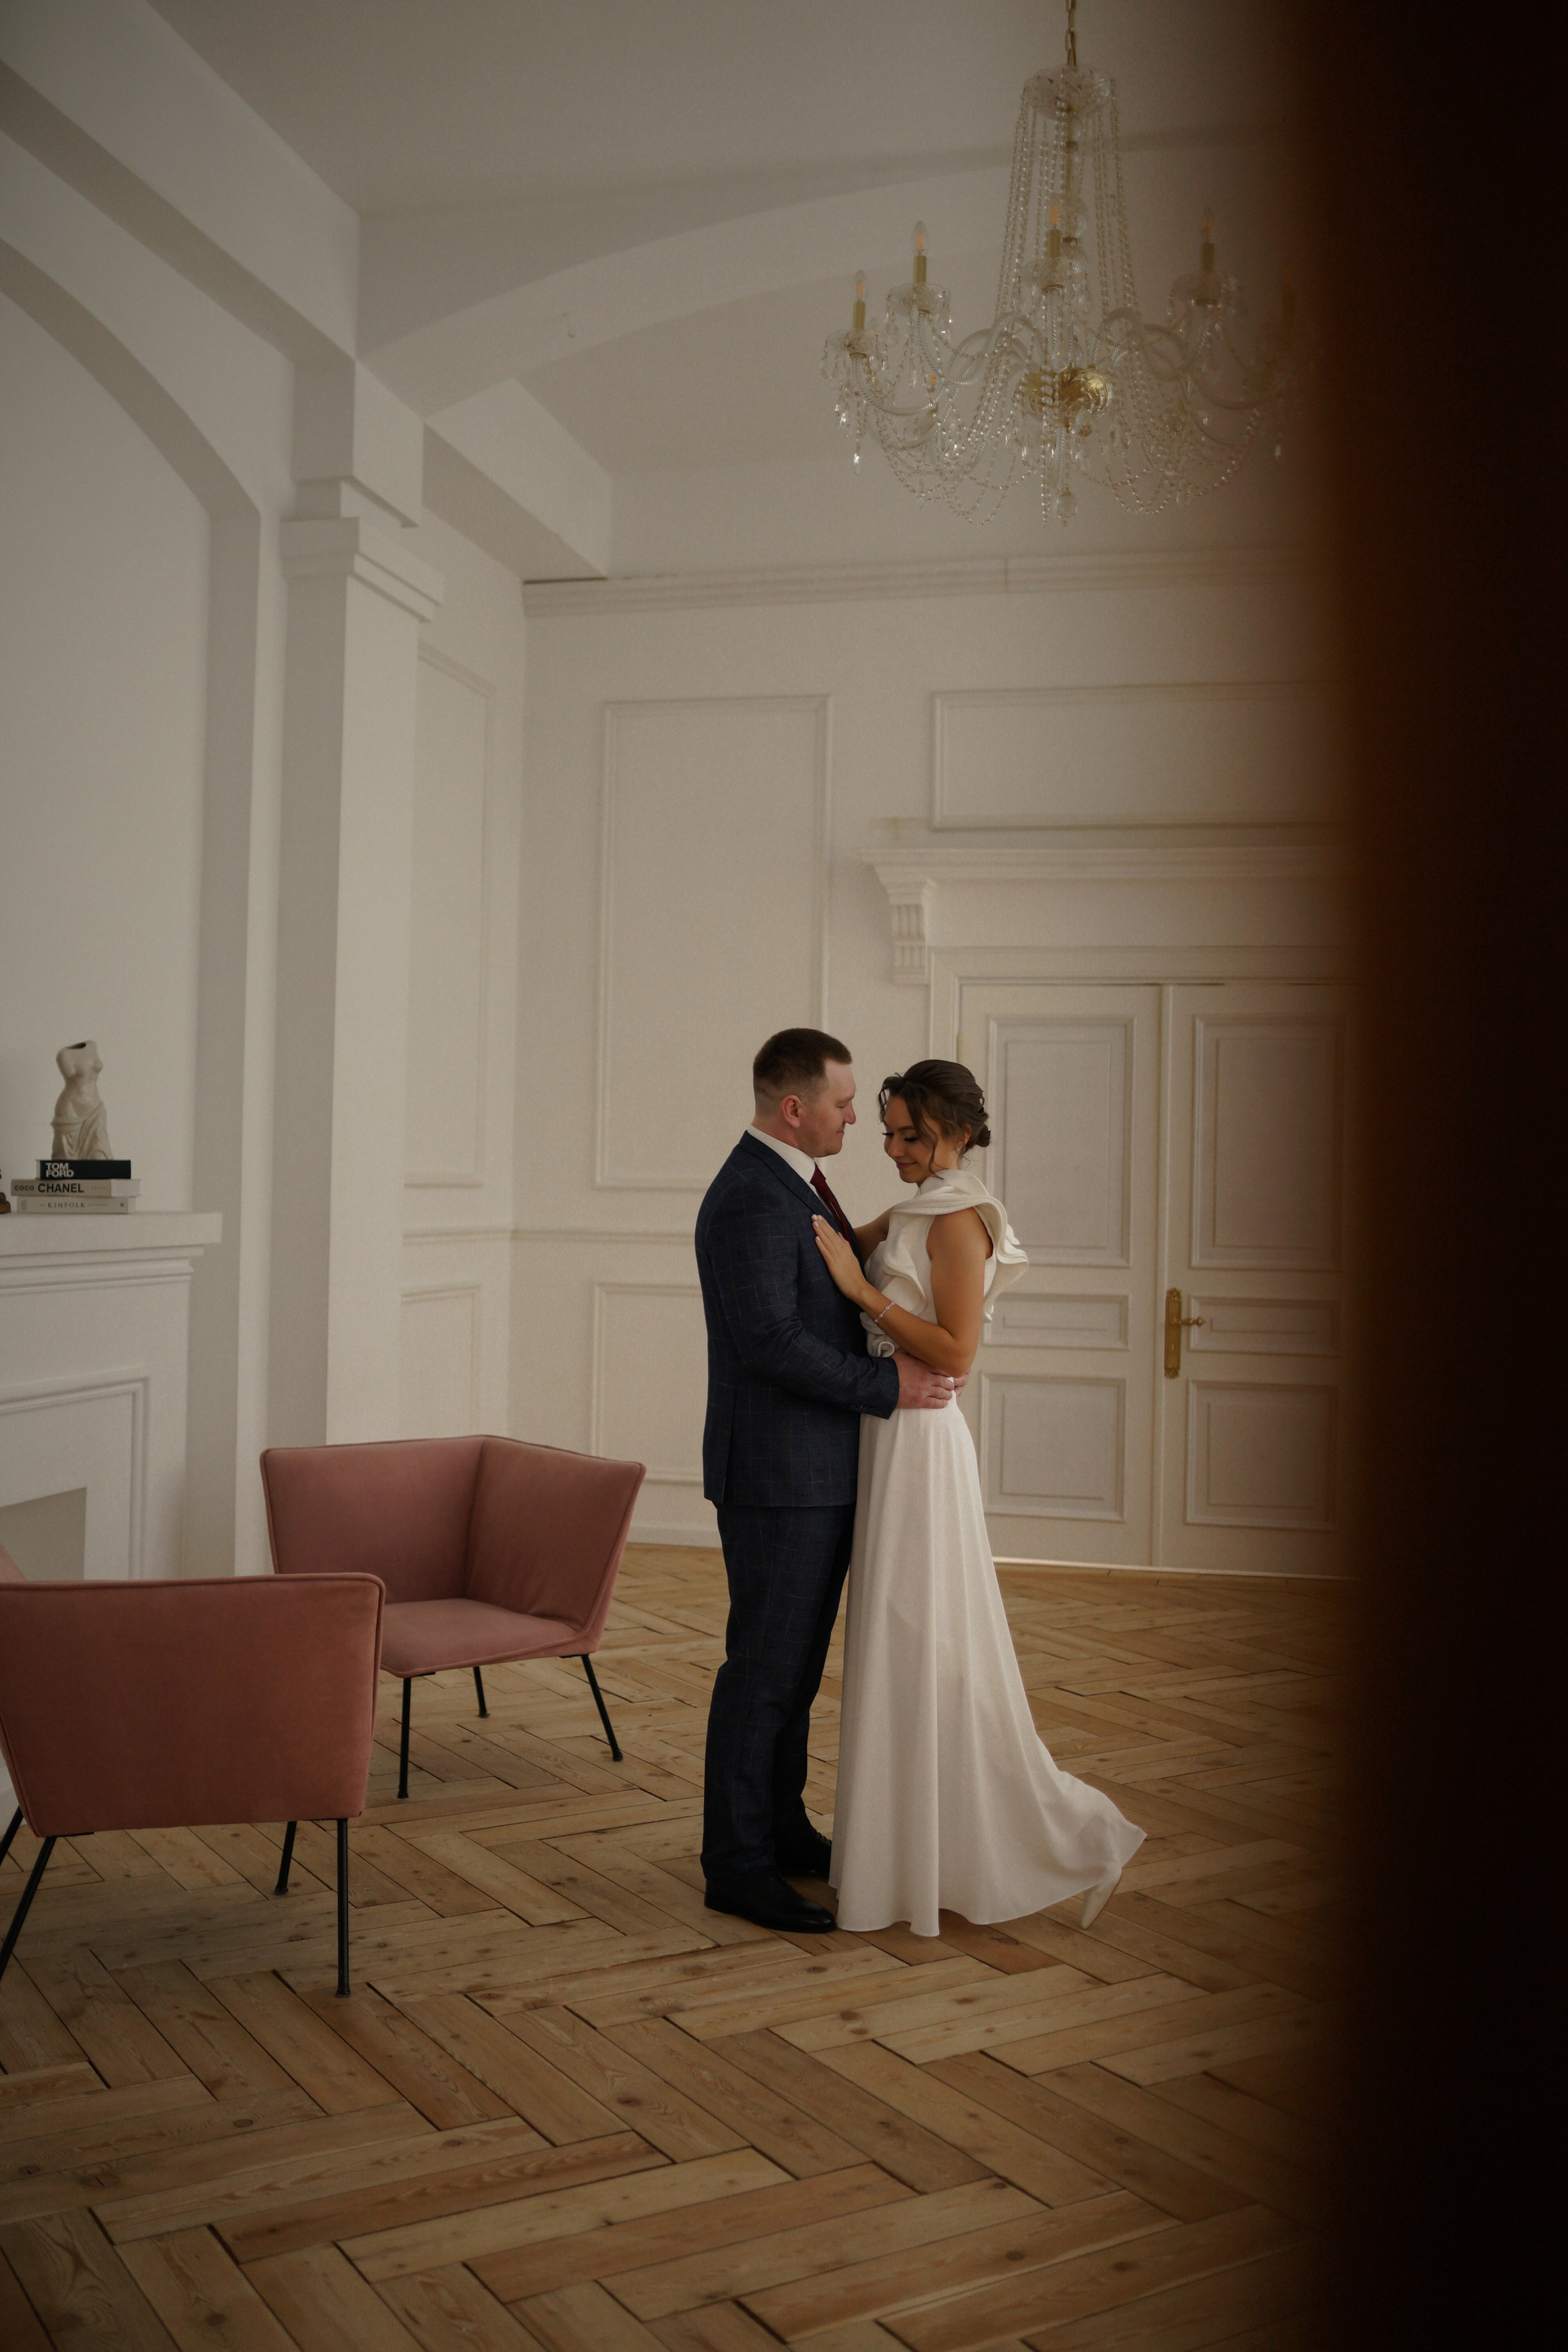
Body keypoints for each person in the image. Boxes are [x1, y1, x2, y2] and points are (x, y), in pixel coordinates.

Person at [810, 1058, 1146, 1936]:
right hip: (888, 1435)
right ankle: (911, 1859)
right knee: (902, 1646)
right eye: (888, 1132)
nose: (893, 1149)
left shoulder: (960, 1218)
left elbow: (957, 1351)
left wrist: (859, 1292)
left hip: (922, 1445)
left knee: (933, 1643)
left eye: (910, 1135)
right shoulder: (918, 1208)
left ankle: (1078, 1838)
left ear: (956, 1131)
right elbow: (837, 1236)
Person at [695, 1028, 957, 1935]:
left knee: (796, 1673)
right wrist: (891, 1386)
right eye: (844, 1105)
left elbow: (825, 1285)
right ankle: (735, 1865)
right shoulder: (750, 1196)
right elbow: (771, 1342)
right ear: (794, 1107)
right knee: (764, 1673)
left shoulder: (791, 1180)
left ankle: (778, 1829)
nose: (857, 1120)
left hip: (813, 1470)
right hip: (778, 1477)